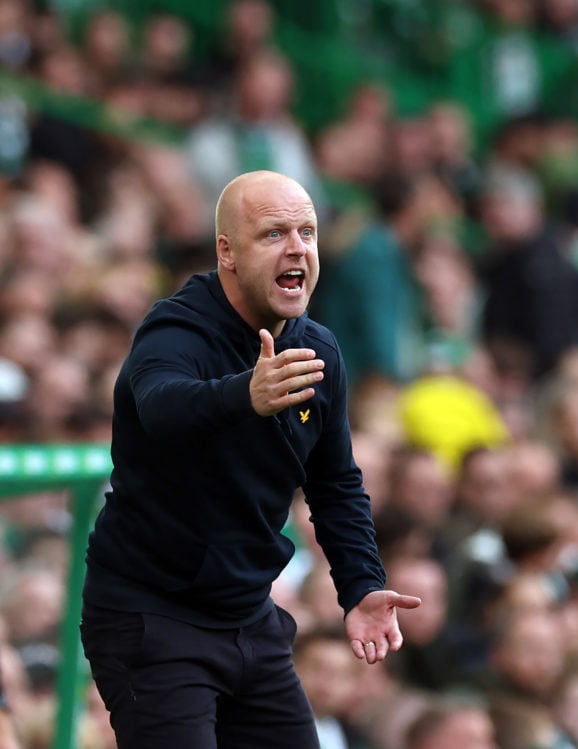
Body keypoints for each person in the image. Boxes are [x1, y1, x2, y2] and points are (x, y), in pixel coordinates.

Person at [78, 170, 421, 748]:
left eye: (308, 232)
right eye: (273, 234)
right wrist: (245, 394)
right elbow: (161, 406)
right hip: (152, 615)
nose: (297, 248)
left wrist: (361, 586)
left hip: (248, 615)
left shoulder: (318, 350)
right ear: (227, 252)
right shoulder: (174, 329)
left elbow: (335, 484)